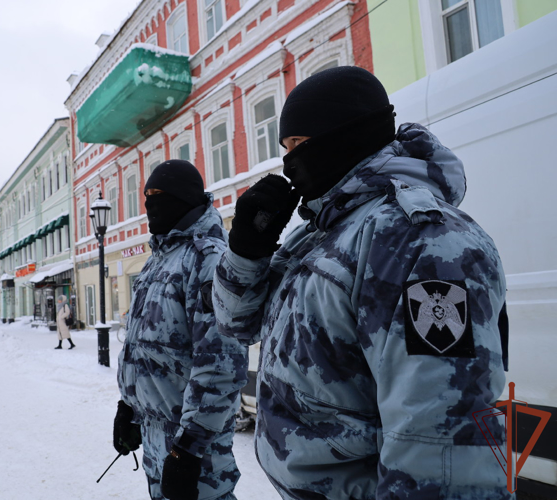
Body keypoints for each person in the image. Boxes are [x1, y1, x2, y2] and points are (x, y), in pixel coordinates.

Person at [213, 66, 510, 499]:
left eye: (299, 144)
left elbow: (439, 440)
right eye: (285, 147)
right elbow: (237, 323)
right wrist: (246, 251)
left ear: (345, 134)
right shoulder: (318, 234)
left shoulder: (418, 240)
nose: (289, 160)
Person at [115, 160, 248, 500]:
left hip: (195, 446)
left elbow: (220, 363)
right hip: (156, 435)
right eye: (146, 196)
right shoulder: (158, 259)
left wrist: (188, 448)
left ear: (183, 197)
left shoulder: (208, 258)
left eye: (158, 195)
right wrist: (128, 407)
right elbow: (141, 342)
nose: (150, 204)